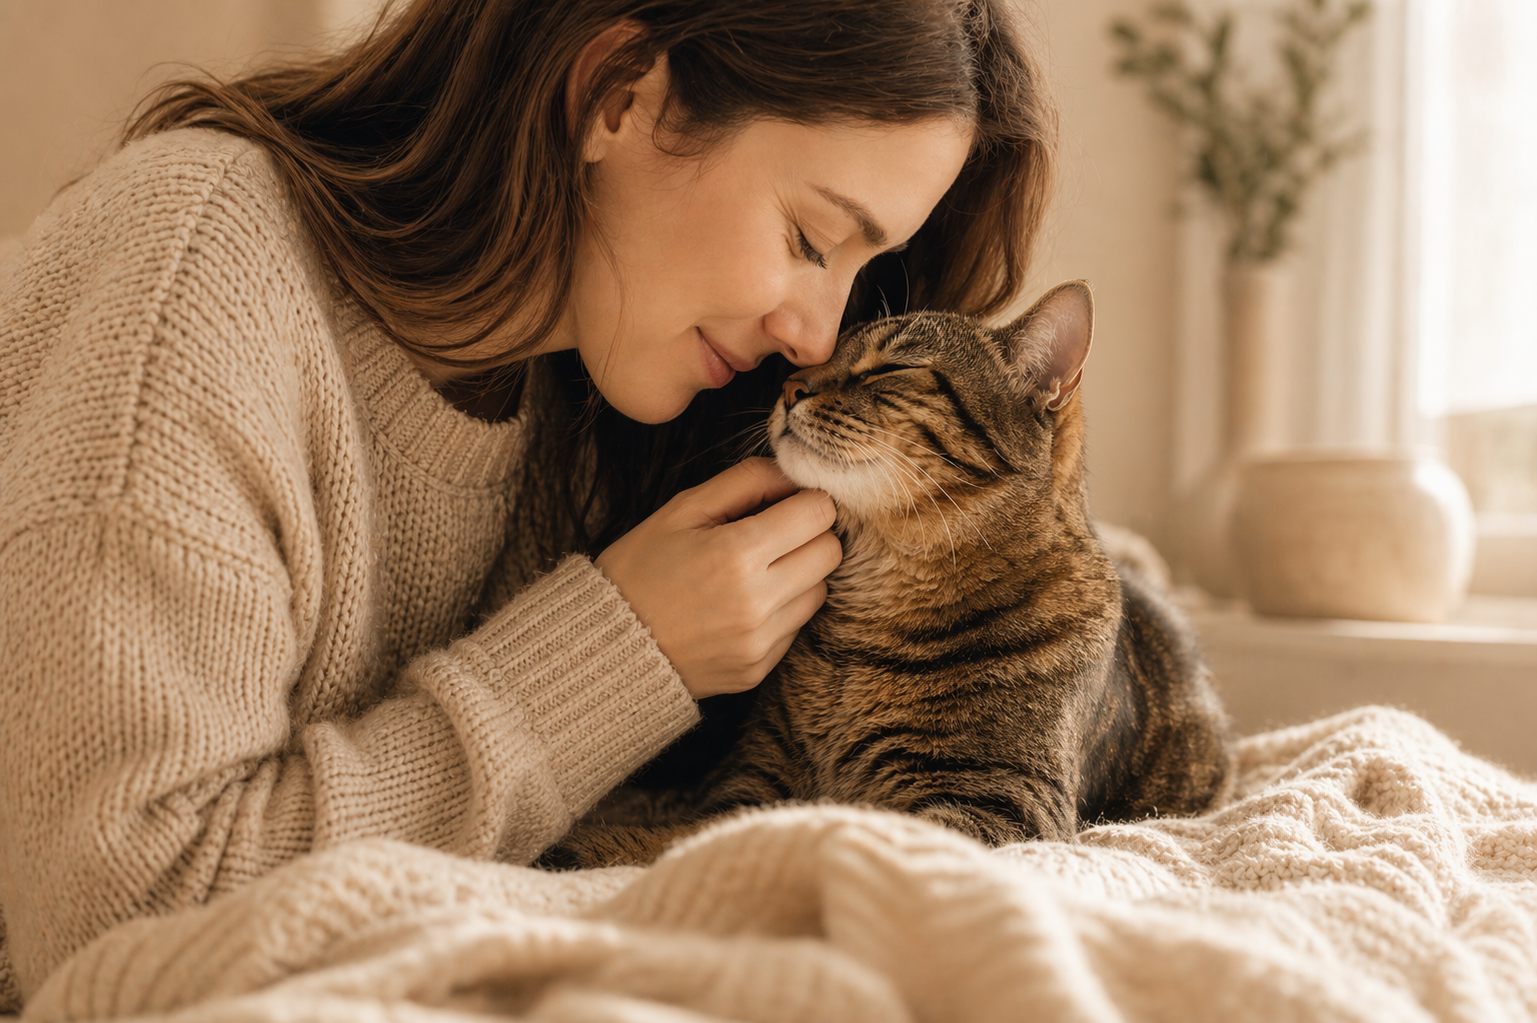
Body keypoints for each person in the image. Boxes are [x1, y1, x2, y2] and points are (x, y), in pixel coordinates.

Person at [0, 0, 1057, 1007]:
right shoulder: (196, 263)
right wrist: (615, 653)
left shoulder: (595, 400)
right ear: (617, 95)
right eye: (810, 241)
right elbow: (114, 935)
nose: (818, 339)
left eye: (863, 274)